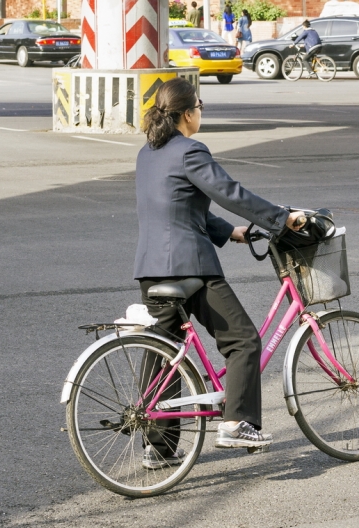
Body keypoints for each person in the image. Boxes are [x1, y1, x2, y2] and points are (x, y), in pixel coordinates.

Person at [135, 78, 306, 467]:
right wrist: (282, 218)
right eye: (200, 104)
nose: (202, 111)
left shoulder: (149, 152)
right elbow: (229, 192)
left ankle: (158, 447)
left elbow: (177, 206)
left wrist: (230, 232)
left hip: (150, 269)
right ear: (187, 113)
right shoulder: (191, 150)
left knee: (164, 353)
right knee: (243, 340)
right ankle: (236, 423)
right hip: (190, 267)